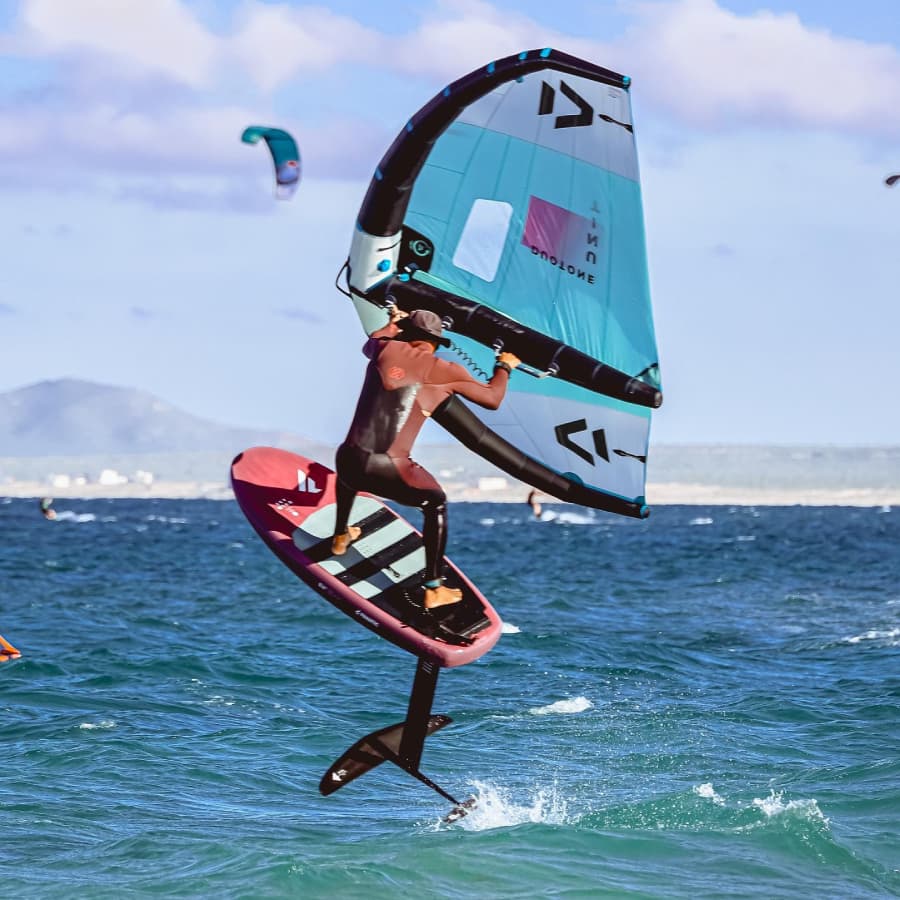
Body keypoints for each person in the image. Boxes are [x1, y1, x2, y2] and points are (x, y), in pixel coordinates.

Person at [331, 307, 520, 610]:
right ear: (435, 341)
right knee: (435, 503)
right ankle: (434, 587)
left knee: (350, 469)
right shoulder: (445, 370)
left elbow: (374, 338)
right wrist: (504, 366)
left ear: (407, 332)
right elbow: (493, 399)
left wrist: (392, 324)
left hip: (348, 461)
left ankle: (340, 535)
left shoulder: (382, 348)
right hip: (389, 468)